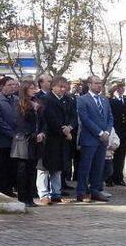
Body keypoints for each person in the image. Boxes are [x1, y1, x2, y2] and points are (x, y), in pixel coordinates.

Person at [37, 76, 75, 205]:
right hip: (49, 138)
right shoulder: (45, 99)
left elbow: (73, 116)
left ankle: (56, 193)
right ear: (53, 86)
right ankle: (43, 193)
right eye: (60, 86)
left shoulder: (68, 100)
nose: (62, 89)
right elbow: (49, 118)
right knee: (44, 167)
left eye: (64, 87)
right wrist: (63, 130)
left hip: (62, 138)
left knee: (58, 167)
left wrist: (70, 127)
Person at [76, 76, 113, 202]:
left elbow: (110, 117)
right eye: (96, 83)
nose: (99, 85)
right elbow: (85, 119)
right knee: (86, 167)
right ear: (89, 84)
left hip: (103, 140)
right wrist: (100, 132)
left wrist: (107, 132)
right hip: (89, 139)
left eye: (100, 83)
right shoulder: (82, 100)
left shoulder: (104, 99)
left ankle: (96, 190)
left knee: (99, 166)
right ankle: (81, 192)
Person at [12, 81, 44, 207]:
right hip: (23, 140)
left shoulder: (37, 103)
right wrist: (33, 134)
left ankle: (30, 197)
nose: (34, 90)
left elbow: (42, 122)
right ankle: (23, 197)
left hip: (35, 141)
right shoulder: (20, 104)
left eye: (35, 88)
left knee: (32, 170)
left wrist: (41, 133)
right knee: (23, 170)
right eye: (31, 88)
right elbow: (21, 123)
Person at [0, 77, 18, 197]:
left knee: (10, 167)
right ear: (2, 87)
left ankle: (8, 189)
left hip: (14, 141)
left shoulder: (16, 100)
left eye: (14, 85)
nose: (12, 87)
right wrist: (11, 133)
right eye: (9, 85)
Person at [108, 81, 126, 187]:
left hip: (125, 132)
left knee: (121, 156)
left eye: (123, 87)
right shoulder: (110, 100)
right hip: (115, 131)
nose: (121, 89)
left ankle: (119, 178)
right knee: (111, 155)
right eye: (119, 87)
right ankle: (109, 178)